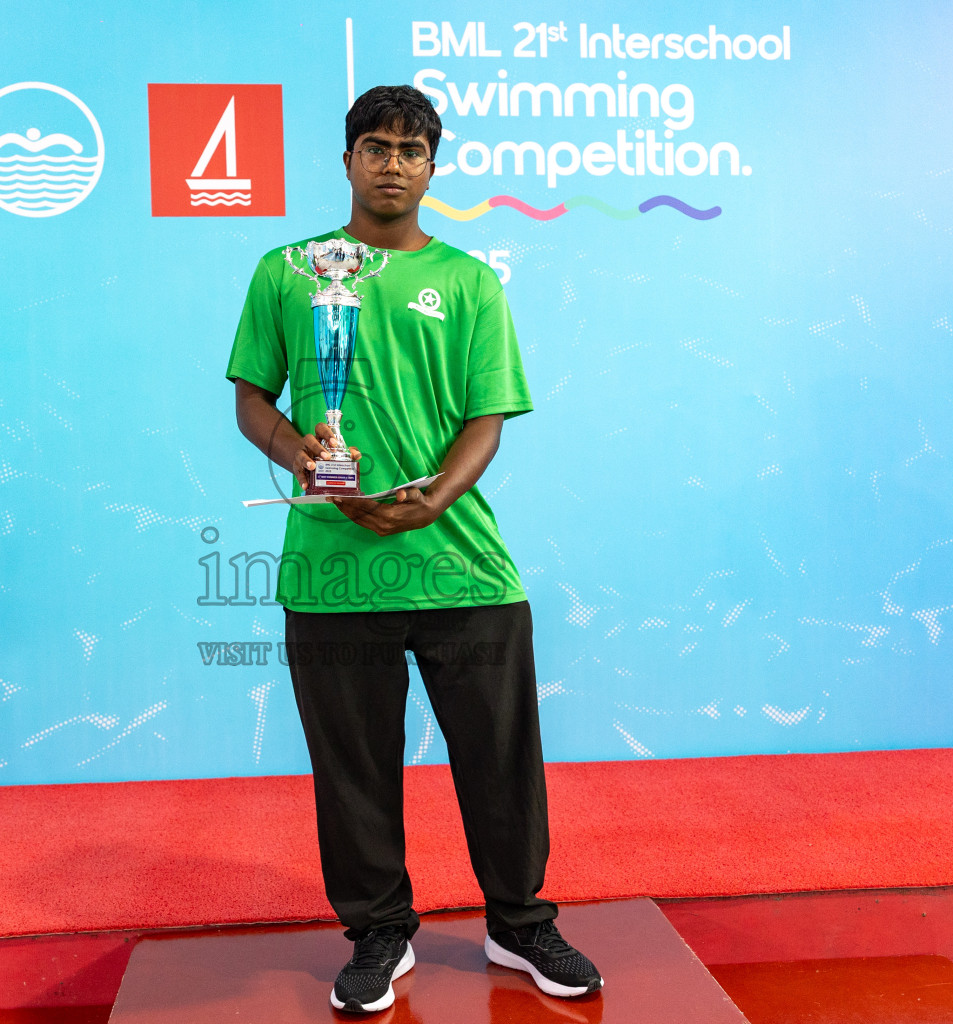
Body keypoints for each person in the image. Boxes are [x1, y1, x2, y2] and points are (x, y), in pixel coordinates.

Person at [226, 85, 603, 1013]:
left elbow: (487, 418)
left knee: (500, 757)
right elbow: (252, 403)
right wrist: (304, 457)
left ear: (434, 165)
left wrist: (435, 496)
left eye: (411, 147)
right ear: (346, 159)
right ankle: (380, 932)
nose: (392, 162)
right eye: (374, 145)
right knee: (352, 768)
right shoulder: (289, 271)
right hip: (331, 567)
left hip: (460, 563)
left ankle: (520, 924)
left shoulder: (472, 281)